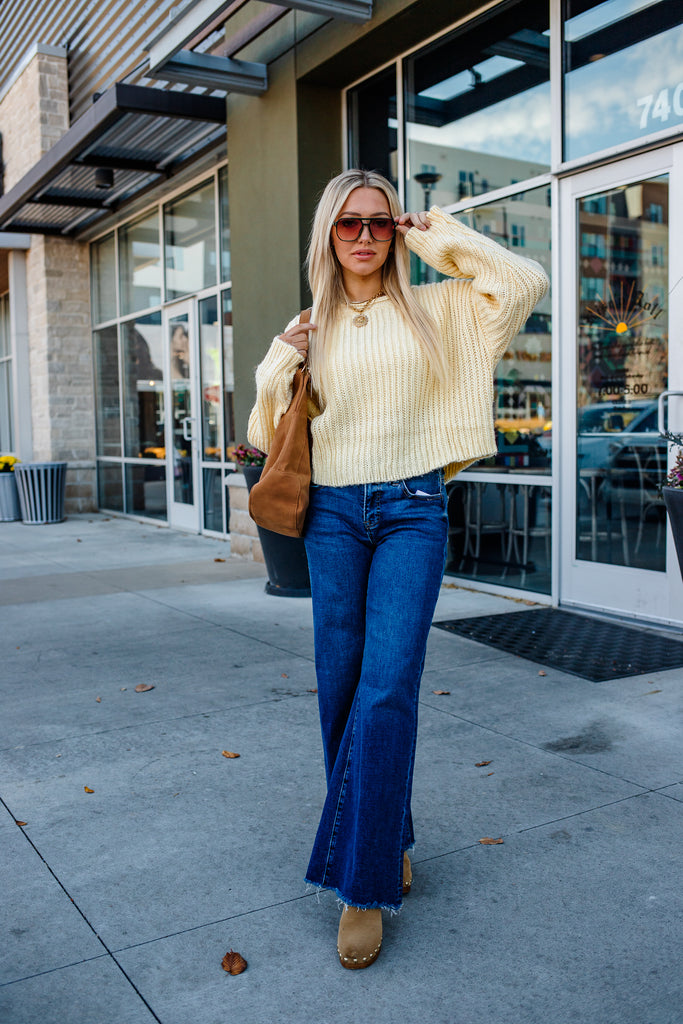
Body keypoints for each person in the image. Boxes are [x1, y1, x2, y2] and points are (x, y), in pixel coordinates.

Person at [248, 169, 548, 970]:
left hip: (412, 508)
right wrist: (278, 363)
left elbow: (524, 281)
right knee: (341, 688)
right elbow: (265, 432)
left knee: (386, 688)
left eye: (378, 222)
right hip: (331, 515)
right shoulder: (308, 326)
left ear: (394, 230)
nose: (364, 236)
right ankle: (386, 836)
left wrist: (436, 235)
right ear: (327, 233)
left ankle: (364, 884)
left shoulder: (439, 308)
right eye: (348, 223)